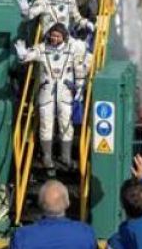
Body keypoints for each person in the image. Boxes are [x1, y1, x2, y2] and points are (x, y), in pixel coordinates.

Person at [14, 23, 88, 171]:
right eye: (53, 35)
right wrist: (23, 55)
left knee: (65, 124)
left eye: (58, 36)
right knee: (46, 124)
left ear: (64, 37)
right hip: (46, 92)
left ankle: (65, 156)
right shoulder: (42, 48)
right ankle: (47, 157)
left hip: (65, 93)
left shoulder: (72, 49)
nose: (54, 38)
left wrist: (80, 89)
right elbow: (29, 55)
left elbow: (79, 70)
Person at [17, 0, 92, 39]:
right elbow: (31, 15)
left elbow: (77, 17)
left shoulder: (70, 1)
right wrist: (26, 11)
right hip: (49, 39)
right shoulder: (43, 1)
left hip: (64, 39)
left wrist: (85, 23)